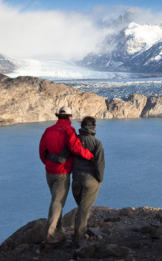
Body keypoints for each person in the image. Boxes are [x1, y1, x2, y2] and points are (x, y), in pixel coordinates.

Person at [39, 106, 94, 249]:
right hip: (62, 173)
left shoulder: (48, 130)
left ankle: (57, 232)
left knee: (55, 202)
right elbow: (75, 148)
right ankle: (50, 238)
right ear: (69, 117)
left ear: (58, 116)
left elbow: (42, 151)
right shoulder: (68, 130)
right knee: (57, 204)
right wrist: (90, 156)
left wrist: (49, 163)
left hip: (49, 172)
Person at [47, 116, 105, 247]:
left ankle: (79, 233)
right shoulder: (97, 143)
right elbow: (100, 165)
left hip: (76, 181)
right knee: (83, 211)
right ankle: (79, 240)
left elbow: (61, 159)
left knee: (81, 208)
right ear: (93, 127)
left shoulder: (73, 141)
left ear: (82, 126)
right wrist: (99, 180)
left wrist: (48, 155)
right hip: (91, 181)